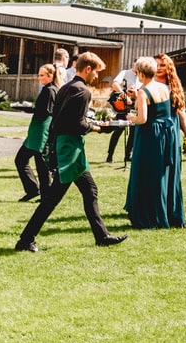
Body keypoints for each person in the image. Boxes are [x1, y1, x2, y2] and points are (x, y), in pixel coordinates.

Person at [15, 52, 126, 252]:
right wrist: (99, 127)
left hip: (67, 146)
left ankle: (102, 236)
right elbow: (77, 123)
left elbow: (64, 119)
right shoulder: (83, 91)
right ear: (88, 69)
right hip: (70, 150)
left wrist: (93, 125)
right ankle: (25, 240)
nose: (97, 77)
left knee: (90, 190)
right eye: (97, 72)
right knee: (51, 199)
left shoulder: (66, 87)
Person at [124, 56, 186, 229]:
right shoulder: (164, 87)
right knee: (163, 173)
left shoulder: (144, 91)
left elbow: (143, 118)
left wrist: (131, 117)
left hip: (150, 135)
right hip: (167, 133)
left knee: (147, 173)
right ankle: (169, 213)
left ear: (142, 74)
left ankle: (150, 215)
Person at [14, 64, 58, 201]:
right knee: (23, 160)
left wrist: (27, 108)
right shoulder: (50, 89)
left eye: (42, 75)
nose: (39, 77)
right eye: (39, 75)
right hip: (37, 132)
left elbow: (45, 112)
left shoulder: (50, 90)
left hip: (41, 132)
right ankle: (35, 190)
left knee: (41, 165)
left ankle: (45, 194)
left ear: (50, 76)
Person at [105, 64, 141, 165]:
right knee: (119, 129)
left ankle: (128, 155)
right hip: (123, 105)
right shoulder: (125, 73)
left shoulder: (141, 76)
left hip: (135, 105)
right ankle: (110, 155)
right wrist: (125, 96)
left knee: (133, 131)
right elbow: (115, 84)